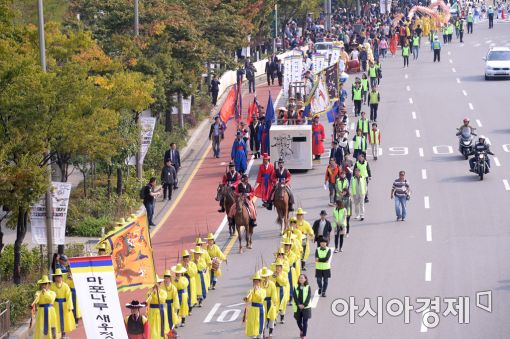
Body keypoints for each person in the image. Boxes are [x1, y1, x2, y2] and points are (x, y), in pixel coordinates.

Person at [50, 269, 75, 337]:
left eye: (59, 276)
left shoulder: (65, 286)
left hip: (64, 305)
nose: (57, 278)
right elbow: (50, 296)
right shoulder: (52, 286)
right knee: (56, 319)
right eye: (56, 276)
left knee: (65, 319)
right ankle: (57, 335)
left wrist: (69, 306)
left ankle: (63, 334)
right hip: (56, 305)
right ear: (54, 277)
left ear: (61, 277)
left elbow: (69, 296)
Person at [33, 275, 58, 339]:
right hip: (41, 312)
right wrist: (36, 298)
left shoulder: (53, 293)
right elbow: (36, 299)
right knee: (41, 327)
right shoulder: (38, 292)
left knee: (52, 327)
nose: (44, 285)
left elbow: (50, 300)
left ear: (49, 284)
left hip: (50, 312)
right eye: (42, 284)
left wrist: (45, 293)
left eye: (45, 284)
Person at [243, 272, 266, 339]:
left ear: (260, 282)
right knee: (253, 325)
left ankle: (260, 336)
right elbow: (249, 300)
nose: (255, 283)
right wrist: (248, 297)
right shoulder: (251, 290)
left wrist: (256, 291)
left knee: (260, 326)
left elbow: (261, 298)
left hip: (260, 309)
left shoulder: (263, 291)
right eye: (254, 282)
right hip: (253, 309)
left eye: (257, 282)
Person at [259, 267, 277, 338]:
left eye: (266, 277)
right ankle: (263, 334)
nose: (265, 278)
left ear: (268, 277)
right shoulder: (260, 284)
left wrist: (274, 302)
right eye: (263, 277)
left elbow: (274, 294)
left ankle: (270, 334)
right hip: (262, 303)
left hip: (270, 302)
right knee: (262, 318)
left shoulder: (272, 284)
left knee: (271, 318)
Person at [269, 259, 289, 325]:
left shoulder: (284, 274)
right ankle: (274, 318)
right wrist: (274, 276)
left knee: (282, 304)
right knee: (275, 304)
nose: (278, 268)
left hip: (282, 289)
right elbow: (271, 282)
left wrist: (279, 276)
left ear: (281, 268)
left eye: (279, 267)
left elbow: (284, 282)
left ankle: (282, 317)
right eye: (277, 267)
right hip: (275, 290)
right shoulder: (273, 274)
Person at [293, 274, 312, 339]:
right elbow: (295, 296)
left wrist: (304, 305)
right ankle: (301, 330)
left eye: (302, 278)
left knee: (305, 321)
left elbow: (308, 297)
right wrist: (298, 304)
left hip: (306, 307)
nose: (301, 279)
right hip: (297, 307)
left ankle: (304, 335)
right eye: (300, 278)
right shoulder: (295, 287)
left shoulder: (308, 287)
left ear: (305, 279)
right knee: (298, 321)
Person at [180, 250, 197, 315]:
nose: (186, 260)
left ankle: (190, 308)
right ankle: (185, 308)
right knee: (185, 294)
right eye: (184, 258)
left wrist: (188, 267)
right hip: (183, 281)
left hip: (190, 280)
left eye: (187, 258)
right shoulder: (181, 265)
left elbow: (193, 273)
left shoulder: (192, 264)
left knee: (190, 294)